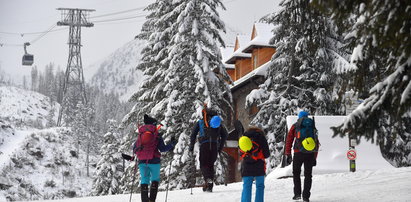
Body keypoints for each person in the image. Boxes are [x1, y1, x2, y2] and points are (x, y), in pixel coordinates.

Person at [128, 114, 176, 202]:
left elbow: (135, 149)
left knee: (144, 180)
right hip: (154, 161)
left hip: (142, 162)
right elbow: (162, 149)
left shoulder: (140, 135)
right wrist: (172, 144)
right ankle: (152, 200)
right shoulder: (156, 134)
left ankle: (145, 200)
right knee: (155, 179)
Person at [189, 107, 228, 192]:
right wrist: (220, 148)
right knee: (210, 165)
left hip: (204, 145)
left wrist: (191, 146)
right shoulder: (218, 124)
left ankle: (208, 180)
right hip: (214, 145)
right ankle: (209, 186)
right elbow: (225, 135)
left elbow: (193, 134)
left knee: (203, 164)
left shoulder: (200, 122)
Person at [285, 111, 319, 202]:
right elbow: (316, 142)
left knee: (296, 173)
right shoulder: (312, 126)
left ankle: (297, 194)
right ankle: (306, 197)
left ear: (299, 117)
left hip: (298, 153)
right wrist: (315, 157)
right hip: (310, 153)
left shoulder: (295, 125)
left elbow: (289, 139)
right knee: (308, 175)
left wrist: (288, 153)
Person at [238, 127, 270, 202]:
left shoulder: (244, 137)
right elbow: (266, 154)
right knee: (260, 186)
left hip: (246, 165)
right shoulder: (261, 137)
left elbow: (240, 152)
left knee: (247, 186)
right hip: (259, 165)